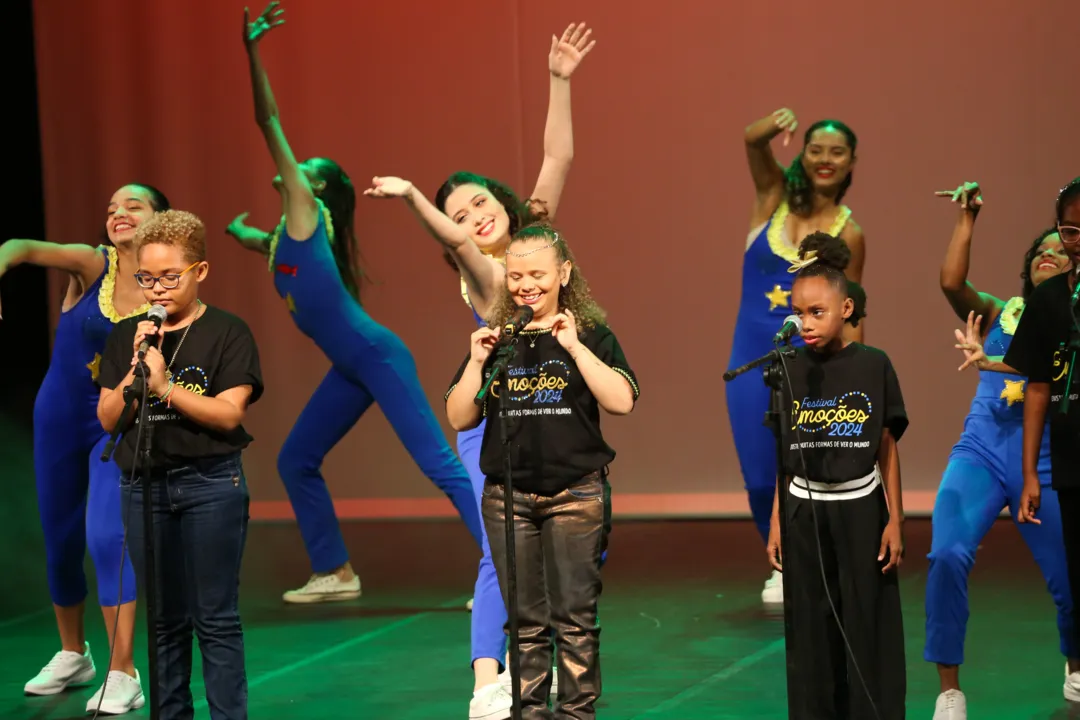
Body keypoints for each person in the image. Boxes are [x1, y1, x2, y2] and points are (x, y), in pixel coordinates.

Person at [362, 22, 594, 718]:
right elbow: (455, 238)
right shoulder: (483, 272)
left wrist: (558, 80)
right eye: (462, 213)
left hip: (555, 416)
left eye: (481, 202)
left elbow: (558, 155)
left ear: (503, 203)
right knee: (500, 557)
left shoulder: (533, 243)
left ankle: (537, 666)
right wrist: (411, 198)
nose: (474, 217)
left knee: (569, 554)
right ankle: (485, 682)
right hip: (496, 426)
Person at [225, 1, 484, 604]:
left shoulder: (305, 212)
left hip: (375, 356)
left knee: (439, 466)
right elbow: (268, 250)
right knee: (296, 460)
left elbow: (268, 123)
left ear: (312, 190)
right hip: (350, 368)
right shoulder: (287, 242)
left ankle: (504, 565)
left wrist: (252, 51)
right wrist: (241, 235)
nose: (296, 168)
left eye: (304, 169)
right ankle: (335, 571)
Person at [445, 222, 637, 720]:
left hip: (576, 496)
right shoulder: (500, 341)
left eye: (537, 274)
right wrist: (475, 362)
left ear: (564, 273)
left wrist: (574, 346)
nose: (526, 286)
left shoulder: (592, 334)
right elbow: (461, 415)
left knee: (574, 621)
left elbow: (621, 401)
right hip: (509, 498)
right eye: (515, 276)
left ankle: (576, 714)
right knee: (525, 624)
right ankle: (528, 713)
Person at [0, 183, 168, 713]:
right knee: (60, 537)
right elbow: (20, 247)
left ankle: (124, 671)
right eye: (112, 207)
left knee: (106, 534)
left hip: (111, 424)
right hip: (57, 416)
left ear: (161, 219)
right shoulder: (91, 264)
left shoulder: (166, 284)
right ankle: (75, 653)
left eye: (133, 206)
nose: (118, 212)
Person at [97, 209, 262, 720]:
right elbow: (108, 419)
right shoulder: (129, 335)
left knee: (214, 618)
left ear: (200, 271)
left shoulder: (228, 332)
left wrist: (166, 386)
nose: (158, 289)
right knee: (164, 619)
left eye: (170, 277)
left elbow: (229, 413)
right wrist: (135, 371)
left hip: (210, 483)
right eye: (147, 278)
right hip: (142, 487)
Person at [926, 181, 1077, 720]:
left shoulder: (1072, 320)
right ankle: (950, 690)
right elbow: (950, 281)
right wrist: (967, 220)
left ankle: (1076, 664)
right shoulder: (1001, 311)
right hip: (982, 452)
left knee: (1069, 580)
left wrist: (991, 363)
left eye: (1059, 251)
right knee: (945, 553)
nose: (1048, 255)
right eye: (1040, 251)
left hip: (1046, 459)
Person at [728, 109, 867, 605]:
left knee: (807, 463)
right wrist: (771, 123)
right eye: (816, 149)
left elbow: (851, 310)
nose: (826, 159)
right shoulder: (773, 199)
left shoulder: (849, 233)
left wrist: (856, 372)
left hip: (813, 363)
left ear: (851, 163)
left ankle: (809, 560)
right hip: (752, 361)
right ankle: (781, 560)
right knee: (762, 472)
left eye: (837, 152)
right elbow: (751, 140)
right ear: (802, 155)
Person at [765, 232, 905, 719]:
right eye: (798, 312)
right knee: (810, 635)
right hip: (805, 511)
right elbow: (786, 454)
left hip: (862, 510)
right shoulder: (785, 368)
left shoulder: (873, 366)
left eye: (816, 312)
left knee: (867, 628)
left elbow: (886, 445)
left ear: (846, 308)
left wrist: (895, 520)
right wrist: (778, 520)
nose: (805, 322)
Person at [1003, 177, 1080, 703]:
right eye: (1069, 230)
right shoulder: (1051, 298)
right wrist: (1031, 471)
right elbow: (1037, 387)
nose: (1077, 241)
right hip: (1072, 458)